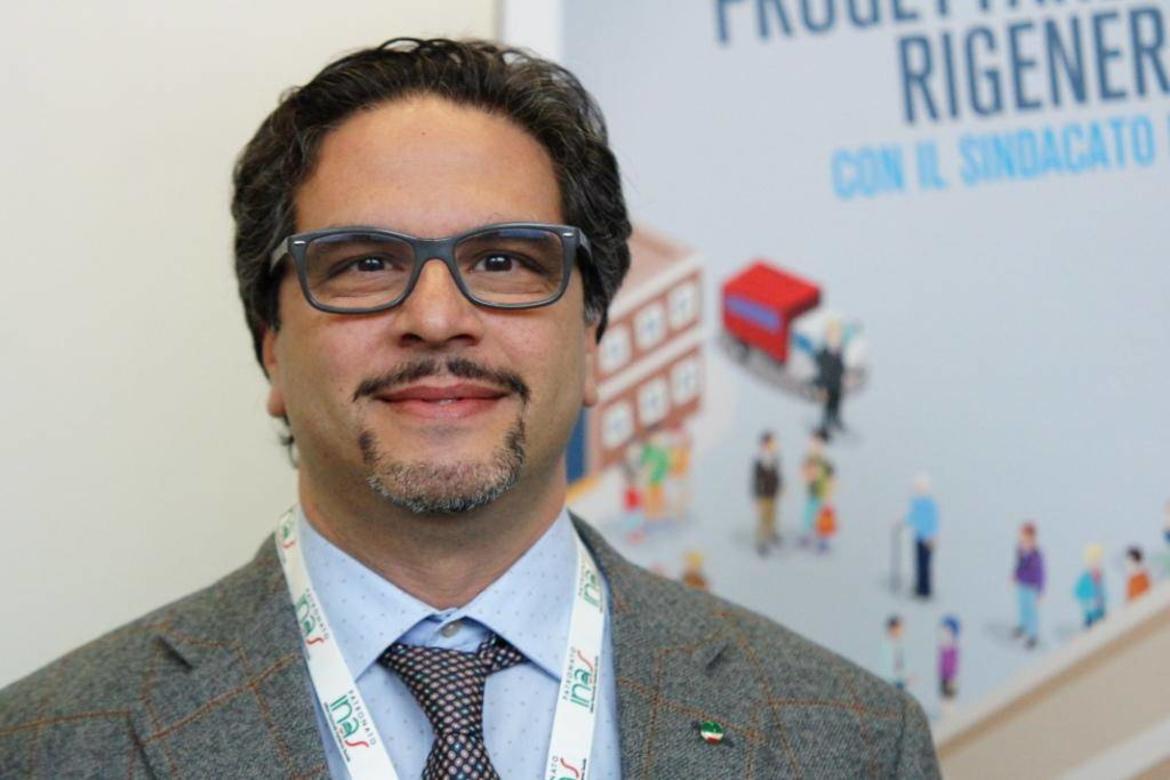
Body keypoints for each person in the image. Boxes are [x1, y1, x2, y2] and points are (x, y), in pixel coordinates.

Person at [0, 39, 938, 778]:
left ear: (594, 336)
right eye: (367, 264)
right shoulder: (44, 747)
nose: (438, 317)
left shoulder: (852, 742)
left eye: (504, 261)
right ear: (272, 344)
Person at [904, 473, 939, 599]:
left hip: (927, 538)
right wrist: (903, 521)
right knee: (919, 563)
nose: (919, 489)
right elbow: (913, 517)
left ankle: (926, 589)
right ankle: (920, 587)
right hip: (918, 537)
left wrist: (932, 536)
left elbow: (933, 520)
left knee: (925, 564)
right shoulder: (916, 502)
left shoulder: (929, 504)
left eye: (921, 486)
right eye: (917, 486)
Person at [1013, 521, 1045, 649]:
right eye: (1022, 538)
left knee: (1032, 611)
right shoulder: (1020, 551)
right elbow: (1019, 565)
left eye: (1027, 539)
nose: (1024, 542)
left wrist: (1040, 590)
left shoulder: (1036, 555)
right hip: (1022, 584)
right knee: (1022, 607)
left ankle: (1032, 635)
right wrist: (1015, 575)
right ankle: (1023, 626)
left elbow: (1040, 573)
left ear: (1033, 539)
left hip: (1032, 587)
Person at [752, 430, 783, 555]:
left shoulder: (775, 458)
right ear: (765, 444)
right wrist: (757, 497)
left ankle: (771, 534)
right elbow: (756, 480)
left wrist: (780, 487)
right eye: (772, 443)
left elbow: (777, 475)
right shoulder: (759, 460)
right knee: (763, 519)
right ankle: (761, 542)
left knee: (773, 515)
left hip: (773, 493)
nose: (774, 445)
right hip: (763, 494)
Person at [1074, 543, 1107, 628]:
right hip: (1090, 610)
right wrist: (1088, 600)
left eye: (1098, 561)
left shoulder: (1099, 576)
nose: (1097, 563)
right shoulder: (1086, 578)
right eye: (1094, 561)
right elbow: (1078, 592)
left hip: (1100, 608)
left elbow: (1102, 592)